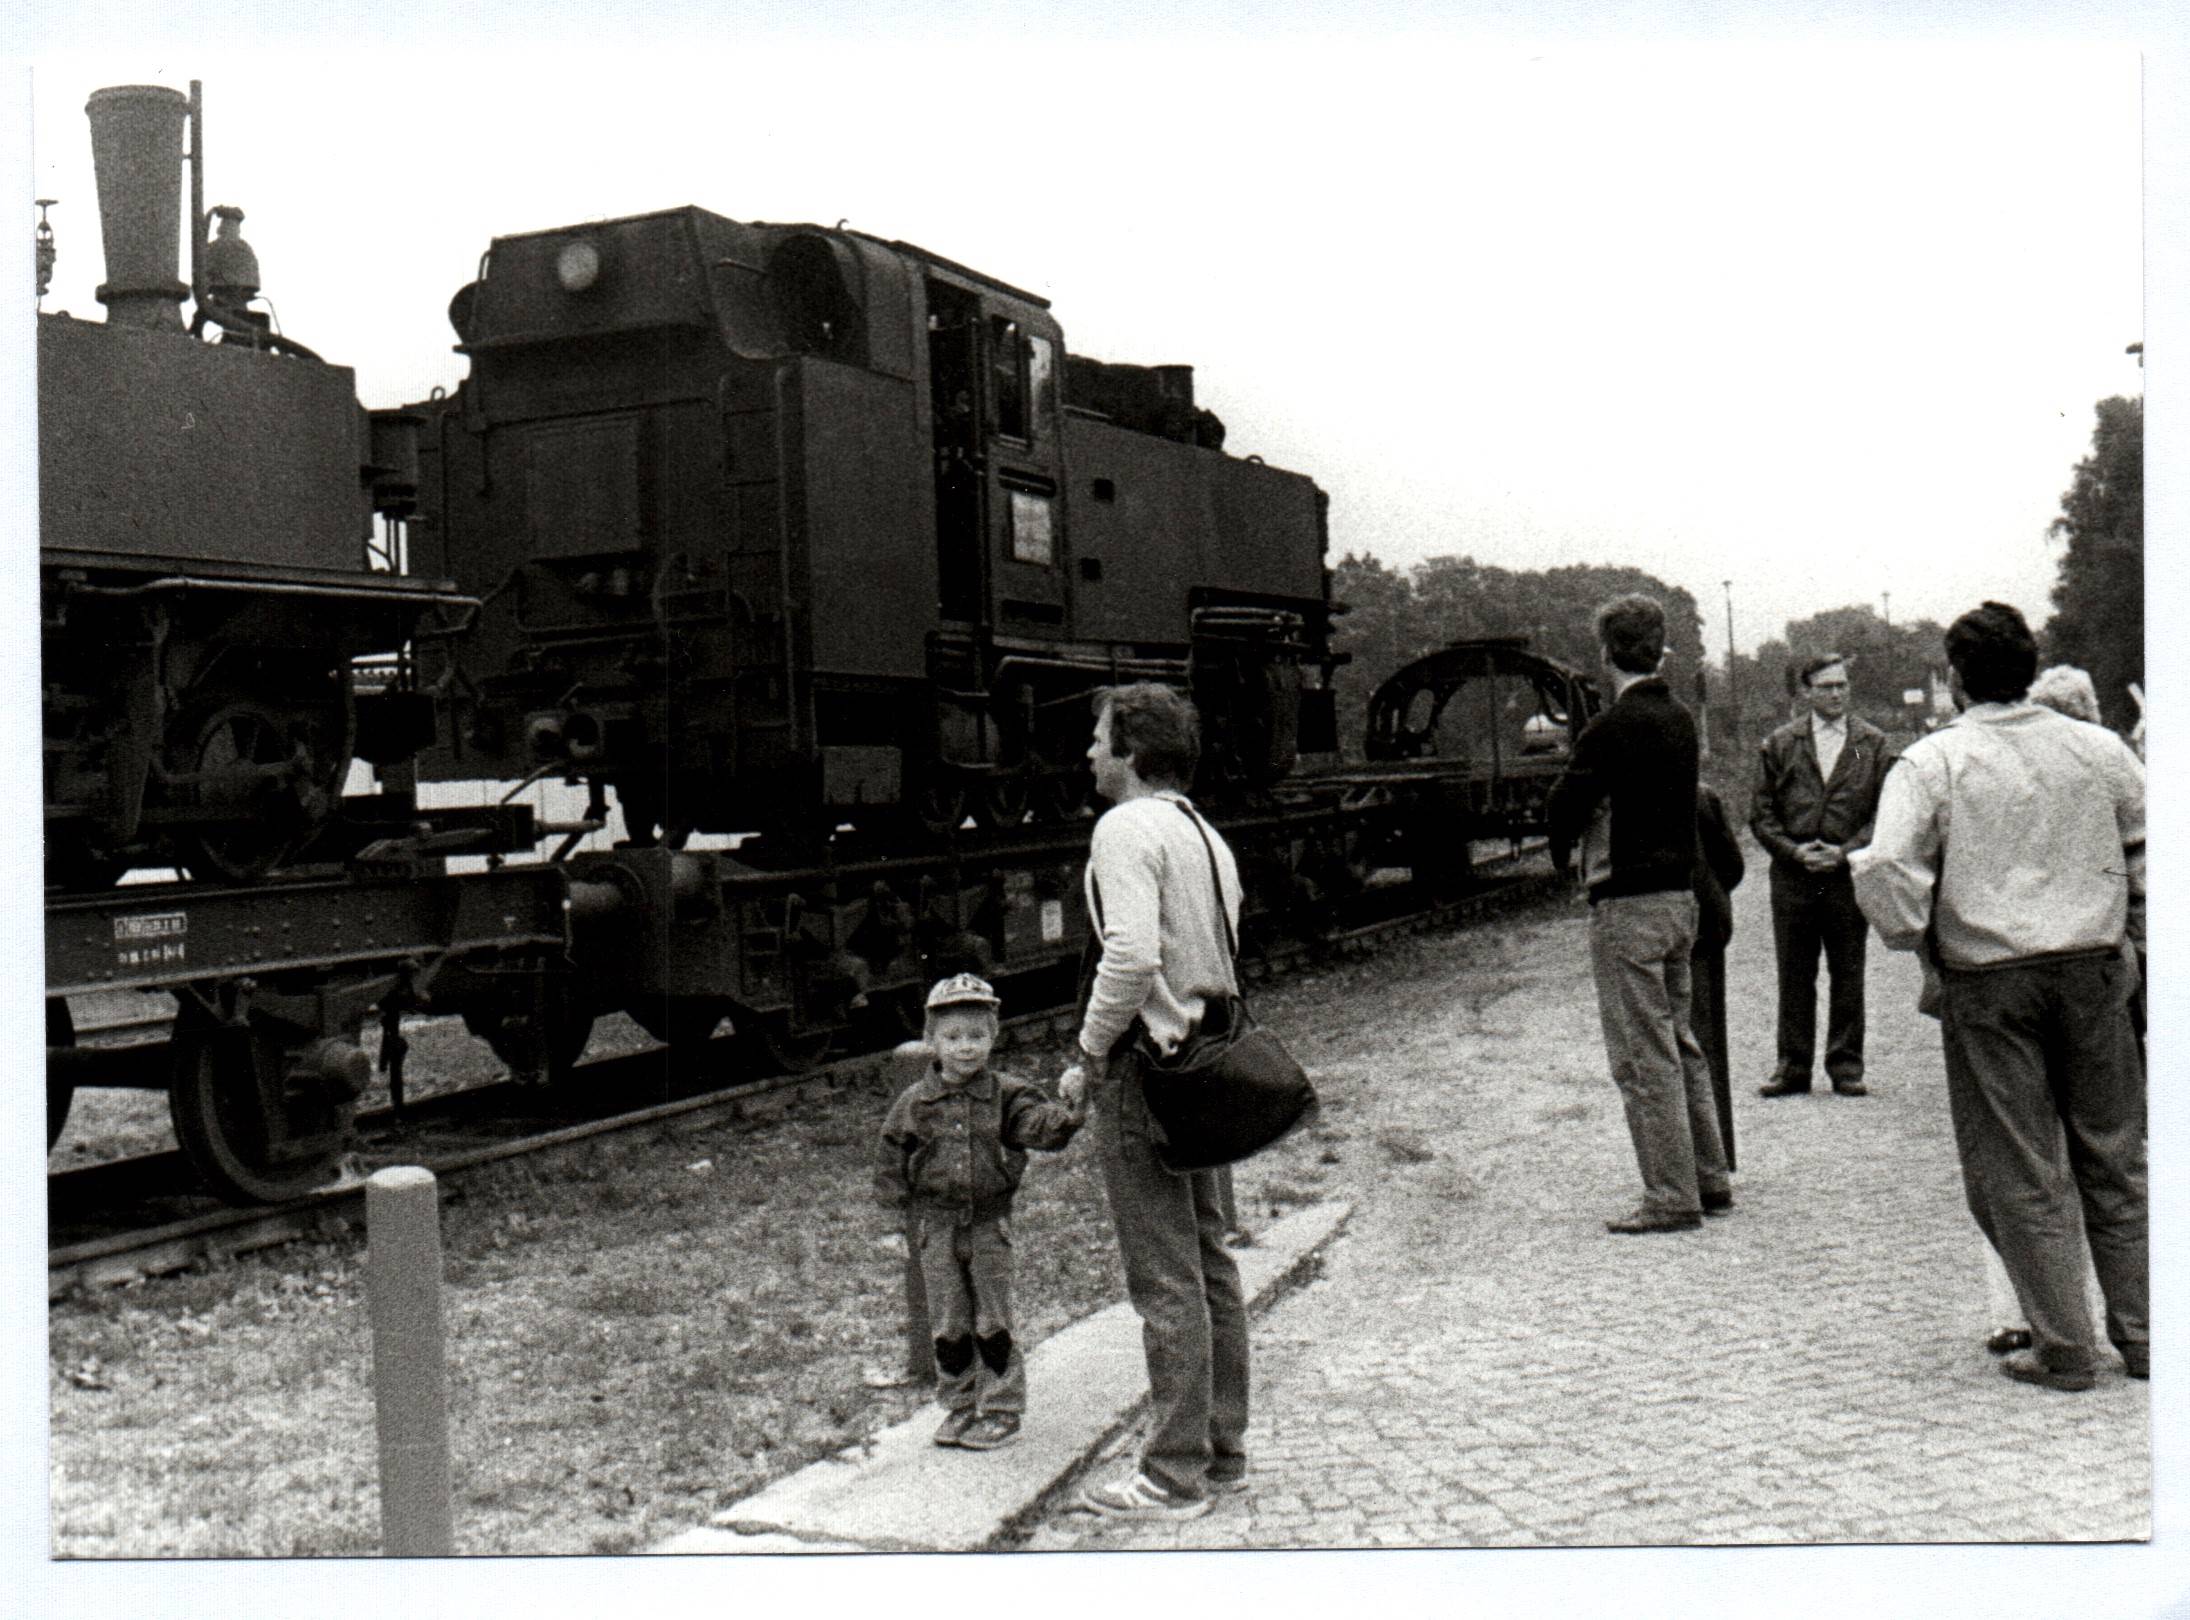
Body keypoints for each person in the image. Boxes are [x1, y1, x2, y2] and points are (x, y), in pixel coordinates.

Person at [1850, 603, 2147, 1391]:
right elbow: (2148, 850)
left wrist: (1924, 939)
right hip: (2093, 969)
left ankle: (2065, 1346)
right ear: (2032, 666)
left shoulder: (1933, 763)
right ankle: (2146, 1336)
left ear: (1954, 679)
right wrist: (2134, 937)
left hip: (1990, 981)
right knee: (2114, 1157)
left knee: (2020, 1167)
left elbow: (1885, 871)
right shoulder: (2100, 749)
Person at [1057, 681, 1249, 1521]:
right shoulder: (1204, 833)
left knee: (1164, 1276)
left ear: (1132, 753)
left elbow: (1131, 956)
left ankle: (1172, 1477)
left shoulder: (1124, 827)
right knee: (1210, 1262)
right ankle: (1221, 1450)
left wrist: (1089, 1051)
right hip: (1207, 1061)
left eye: (1099, 739)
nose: (1089, 754)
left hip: (1149, 1068)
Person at [1546, 594, 1731, 1235]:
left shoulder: (1610, 729)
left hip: (1627, 908)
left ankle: (1670, 1196)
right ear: (1660, 650)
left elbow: (1564, 806)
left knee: (1640, 1055)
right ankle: (1709, 1177)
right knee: (1682, 1043)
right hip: (1681, 902)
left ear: (1605, 654)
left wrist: (1561, 843)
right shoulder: (1680, 718)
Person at [876, 973, 1084, 1450]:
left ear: (994, 1036)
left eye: (976, 1036)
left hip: (990, 1227)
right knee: (948, 1323)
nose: (965, 1048)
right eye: (952, 1038)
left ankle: (1002, 1408)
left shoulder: (1008, 1095)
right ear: (931, 1041)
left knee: (993, 1320)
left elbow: (1040, 1128)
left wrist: (1071, 1110)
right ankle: (959, 1405)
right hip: (936, 1229)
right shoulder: (915, 1104)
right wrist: (893, 1223)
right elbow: (891, 1163)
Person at [1748, 653, 1890, 1098]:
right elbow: (1760, 813)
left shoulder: (1873, 743)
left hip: (1846, 875)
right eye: (1826, 686)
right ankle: (1792, 1067)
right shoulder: (1780, 743)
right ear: (1805, 691)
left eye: (1842, 685)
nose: (1836, 693)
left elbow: (1886, 811)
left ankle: (1846, 1065)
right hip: (1794, 876)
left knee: (1849, 970)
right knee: (1795, 972)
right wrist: (1793, 851)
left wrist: (1845, 852)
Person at [1690, 779, 1746, 1170]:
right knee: (1707, 1045)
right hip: (1704, 927)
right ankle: (1717, 1157)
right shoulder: (1700, 792)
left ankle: (1696, 1161)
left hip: (1674, 930)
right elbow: (1731, 865)